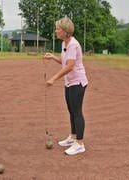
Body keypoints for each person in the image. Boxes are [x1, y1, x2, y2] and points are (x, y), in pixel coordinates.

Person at [43, 17, 88, 155]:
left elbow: (70, 66)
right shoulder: (65, 43)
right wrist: (53, 57)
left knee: (77, 112)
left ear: (65, 31)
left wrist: (54, 78)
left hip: (77, 82)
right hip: (70, 83)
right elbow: (65, 61)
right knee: (71, 111)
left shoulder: (73, 44)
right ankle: (73, 137)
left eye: (58, 29)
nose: (56, 31)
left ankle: (80, 143)